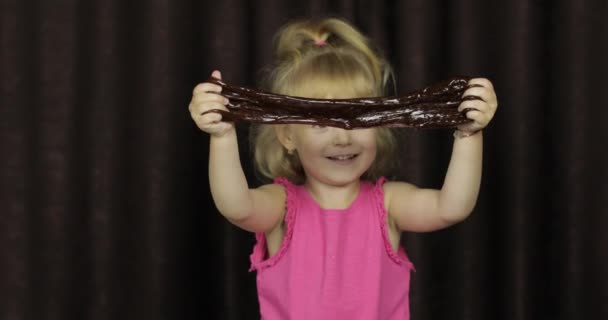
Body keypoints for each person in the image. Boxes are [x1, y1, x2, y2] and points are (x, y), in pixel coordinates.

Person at [188, 17, 497, 320]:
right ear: (287, 136)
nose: (343, 137)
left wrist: (469, 134)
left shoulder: (388, 204)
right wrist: (223, 136)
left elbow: (451, 207)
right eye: (323, 123)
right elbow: (236, 206)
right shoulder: (282, 207)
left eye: (358, 120)